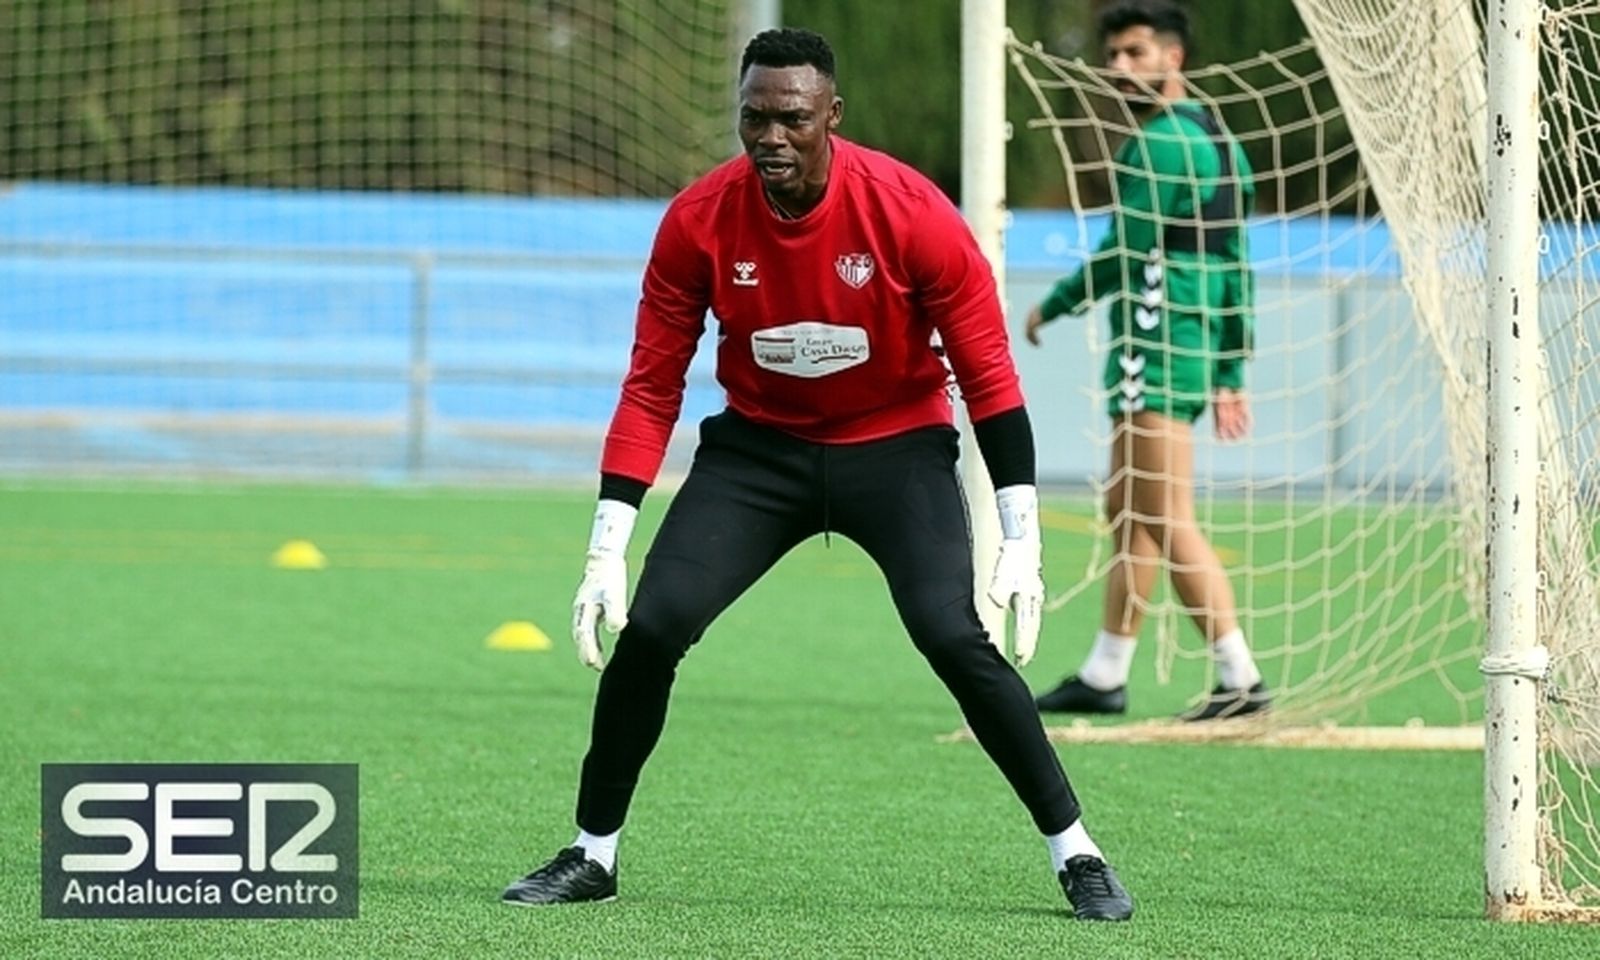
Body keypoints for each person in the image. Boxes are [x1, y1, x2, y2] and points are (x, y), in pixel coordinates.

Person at [501, 27, 1132, 922]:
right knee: (653, 629)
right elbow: (651, 386)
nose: (771, 138)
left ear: (832, 115)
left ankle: (1077, 854)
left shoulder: (912, 214)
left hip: (897, 448)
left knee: (951, 636)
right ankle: (591, 853)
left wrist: (1021, 539)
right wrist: (609, 545)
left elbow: (990, 377)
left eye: (792, 118)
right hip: (759, 454)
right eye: (753, 118)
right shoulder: (697, 221)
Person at [1026, 0, 1270, 722]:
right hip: (1188, 347)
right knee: (1127, 508)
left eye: (1134, 53)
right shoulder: (1220, 139)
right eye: (1113, 56)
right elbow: (1236, 264)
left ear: (1174, 58)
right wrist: (1229, 368)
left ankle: (1240, 678)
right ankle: (1106, 674)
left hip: (1157, 347)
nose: (1119, 68)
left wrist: (1053, 304)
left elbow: (1123, 253)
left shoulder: (1160, 144)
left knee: (1162, 514)